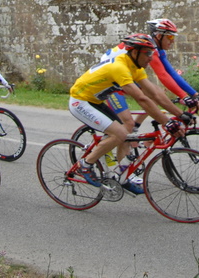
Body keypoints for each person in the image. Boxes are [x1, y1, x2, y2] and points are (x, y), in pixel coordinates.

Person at [69, 33, 187, 195]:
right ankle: (86, 164)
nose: (150, 58)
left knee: (127, 131)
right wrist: (167, 122)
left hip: (95, 101)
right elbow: (141, 99)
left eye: (152, 53)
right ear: (134, 52)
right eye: (147, 53)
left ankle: (121, 177)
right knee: (120, 134)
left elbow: (155, 94)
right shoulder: (120, 67)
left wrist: (180, 115)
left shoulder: (135, 67)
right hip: (80, 101)